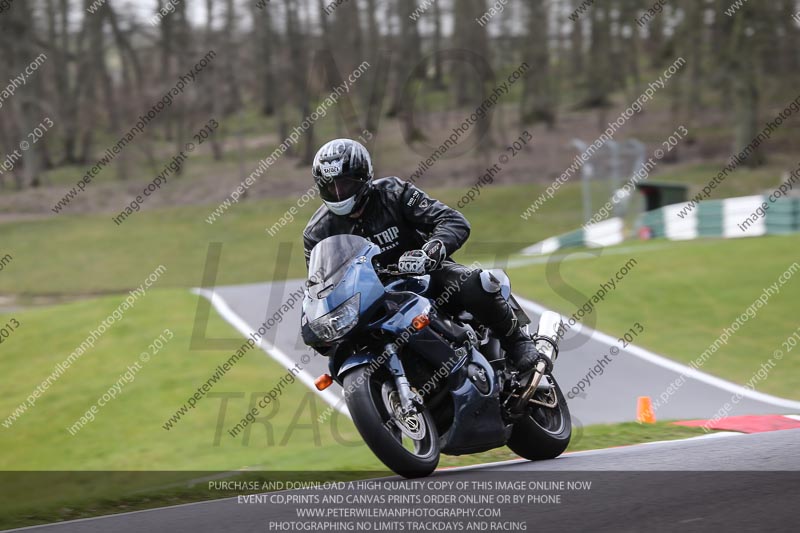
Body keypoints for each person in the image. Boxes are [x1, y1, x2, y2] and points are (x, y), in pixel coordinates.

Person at [302, 138, 542, 372]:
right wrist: (315, 319)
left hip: (425, 277)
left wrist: (431, 251)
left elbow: (452, 221)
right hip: (368, 299)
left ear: (363, 178)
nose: (337, 191)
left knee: (473, 283)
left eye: (344, 183)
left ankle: (517, 342)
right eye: (329, 185)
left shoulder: (394, 193)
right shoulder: (317, 232)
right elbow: (319, 284)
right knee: (339, 350)